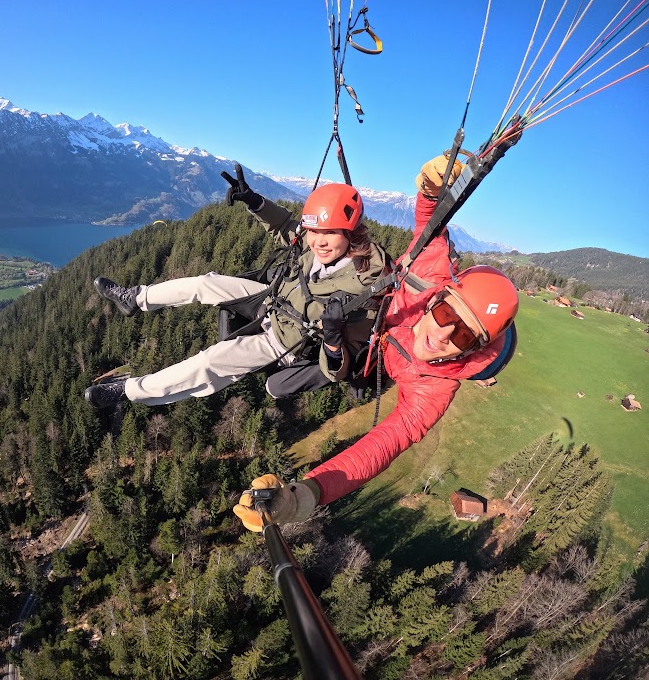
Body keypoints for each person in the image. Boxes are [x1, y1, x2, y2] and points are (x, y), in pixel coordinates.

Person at [233, 154, 520, 532]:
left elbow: (380, 447)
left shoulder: (434, 389)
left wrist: (305, 494)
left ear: (473, 349)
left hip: (362, 359)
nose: (443, 336)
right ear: (437, 298)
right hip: (359, 325)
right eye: (447, 316)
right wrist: (433, 186)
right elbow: (430, 218)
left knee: (277, 384)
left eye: (464, 336)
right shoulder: (429, 270)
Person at [84, 164, 390, 408]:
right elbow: (288, 229)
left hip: (285, 343)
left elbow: (339, 367)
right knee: (207, 283)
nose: (318, 241)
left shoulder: (366, 289)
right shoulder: (319, 246)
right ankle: (134, 299)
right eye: (314, 231)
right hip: (272, 302)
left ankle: (129, 391)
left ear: (352, 230)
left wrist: (334, 340)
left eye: (330, 232)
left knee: (207, 364)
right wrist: (255, 201)